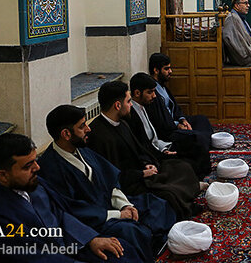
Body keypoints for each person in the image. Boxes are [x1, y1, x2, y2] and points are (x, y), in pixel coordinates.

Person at [0, 133, 139, 263]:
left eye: (35, 160)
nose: (37, 168)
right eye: (28, 165)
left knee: (121, 249)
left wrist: (90, 240)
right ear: (2, 175)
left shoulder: (29, 183)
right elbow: (29, 256)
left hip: (67, 248)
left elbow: (59, 214)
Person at [40, 105, 176, 263]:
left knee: (157, 203)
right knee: (130, 230)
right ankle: (149, 243)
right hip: (94, 221)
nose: (88, 129)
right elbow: (71, 210)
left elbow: (110, 179)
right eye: (82, 126)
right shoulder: (50, 168)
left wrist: (125, 205)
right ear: (66, 134)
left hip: (109, 204)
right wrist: (118, 214)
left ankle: (150, 241)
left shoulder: (81, 149)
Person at [87, 81, 203, 220]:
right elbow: (111, 176)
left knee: (181, 167)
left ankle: (188, 192)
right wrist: (141, 173)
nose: (131, 105)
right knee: (168, 193)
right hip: (129, 183)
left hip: (140, 171)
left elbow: (139, 149)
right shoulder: (99, 136)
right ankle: (186, 206)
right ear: (118, 105)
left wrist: (146, 162)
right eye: (128, 101)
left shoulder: (122, 123)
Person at [129, 71, 210, 179]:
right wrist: (163, 152)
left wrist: (163, 148)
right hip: (154, 156)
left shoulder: (143, 106)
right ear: (137, 93)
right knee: (188, 163)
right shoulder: (132, 115)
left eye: (154, 92)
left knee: (197, 144)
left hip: (161, 147)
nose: (154, 96)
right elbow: (143, 146)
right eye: (150, 92)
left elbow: (153, 137)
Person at [146, 53, 213, 178]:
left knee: (202, 120)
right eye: (166, 69)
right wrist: (178, 126)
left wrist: (182, 119)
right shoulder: (152, 93)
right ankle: (200, 168)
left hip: (175, 122)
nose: (170, 71)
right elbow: (160, 122)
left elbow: (175, 107)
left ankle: (202, 144)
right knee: (198, 137)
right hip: (168, 131)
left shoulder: (162, 87)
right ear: (156, 70)